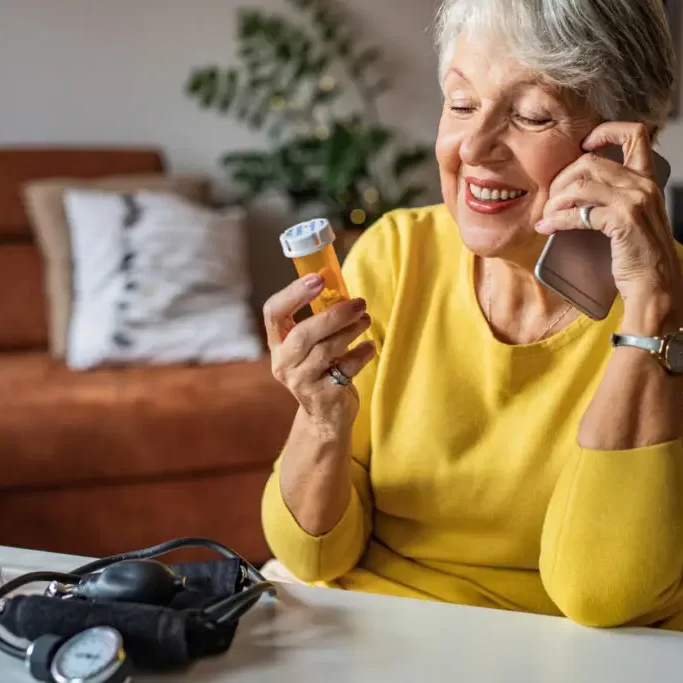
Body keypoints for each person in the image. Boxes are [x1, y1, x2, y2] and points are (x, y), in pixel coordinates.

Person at [261, 0, 683, 630]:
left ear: (622, 147)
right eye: (461, 104)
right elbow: (312, 555)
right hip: (371, 631)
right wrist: (321, 421)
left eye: (532, 115)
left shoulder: (669, 304)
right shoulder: (396, 254)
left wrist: (651, 310)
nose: (476, 147)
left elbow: (603, 593)